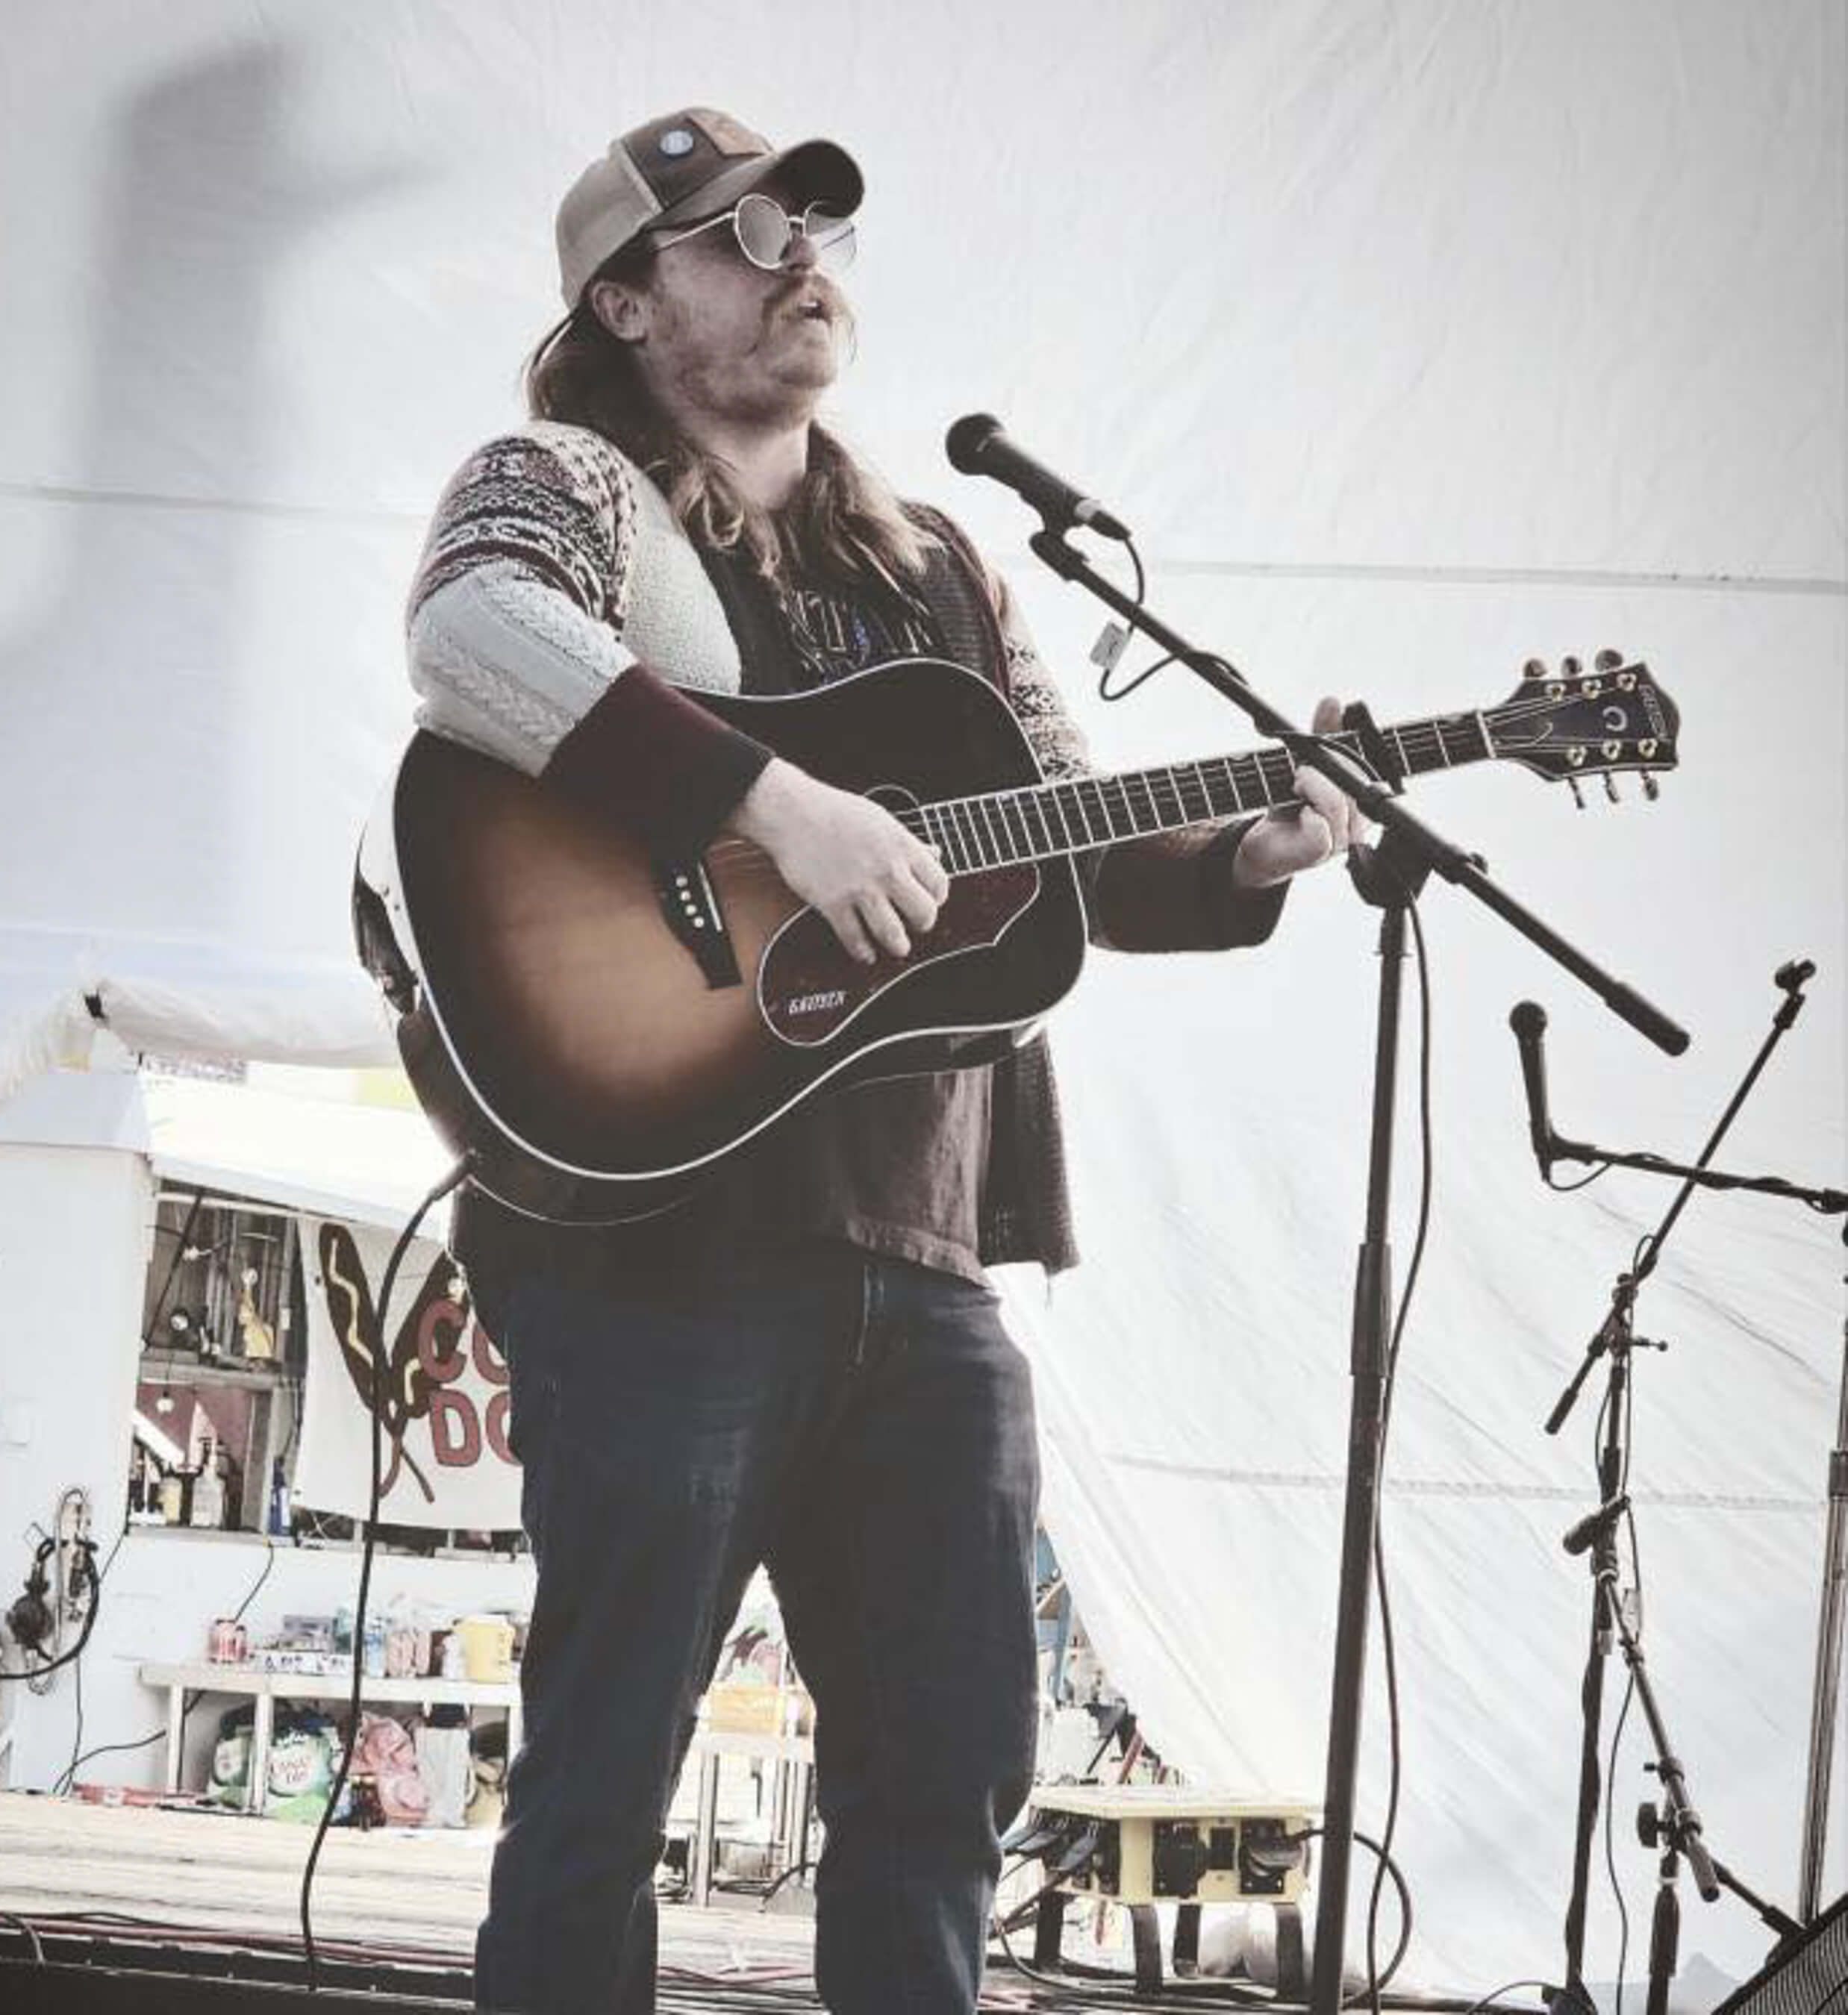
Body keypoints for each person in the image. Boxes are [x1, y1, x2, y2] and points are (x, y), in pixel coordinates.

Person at [405, 107, 1358, 2015]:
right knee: (603, 1783)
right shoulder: (565, 482)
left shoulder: (944, 567)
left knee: (942, 1787)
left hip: (922, 1259)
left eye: (816, 226)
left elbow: (1066, 845)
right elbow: (467, 638)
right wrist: (784, 807)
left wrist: (1255, 846)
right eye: (742, 233)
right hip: (656, 1245)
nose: (801, 257)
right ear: (627, 295)